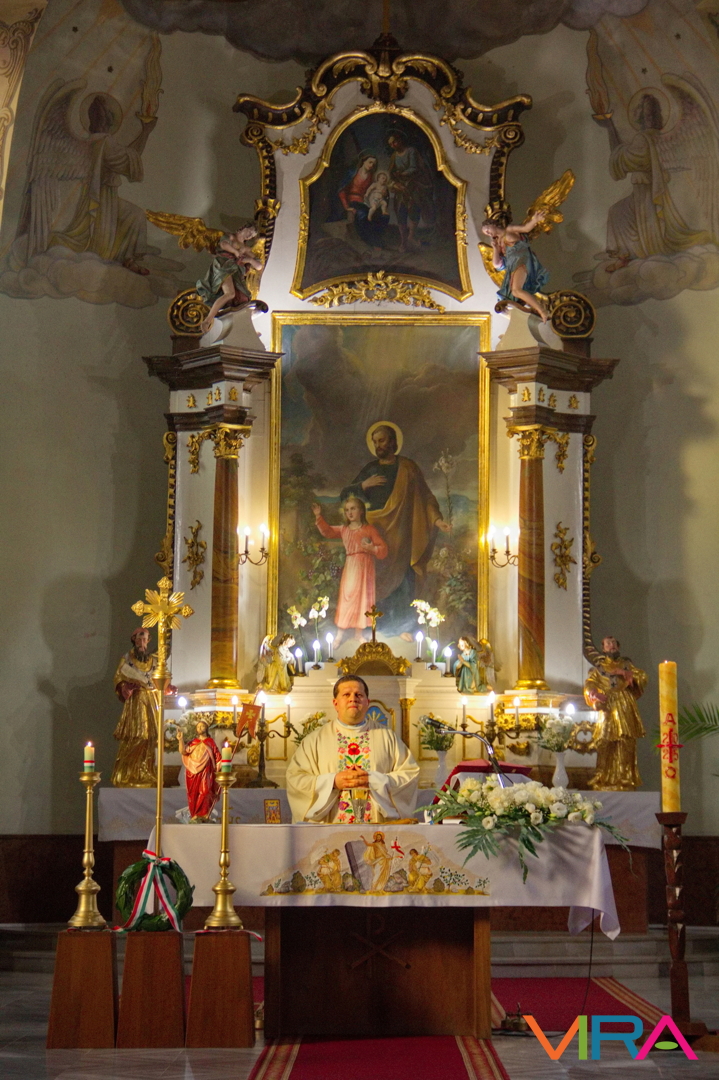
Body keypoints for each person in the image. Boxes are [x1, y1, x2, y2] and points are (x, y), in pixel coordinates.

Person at [341, 423, 450, 638]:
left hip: (401, 533)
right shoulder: (370, 470)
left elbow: (426, 497)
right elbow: (345, 495)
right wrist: (364, 485)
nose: (378, 445)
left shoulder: (408, 468)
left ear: (393, 441)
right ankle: (374, 626)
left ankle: (402, 627)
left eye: (382, 440)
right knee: (374, 579)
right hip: (375, 533)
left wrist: (437, 520)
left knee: (404, 579)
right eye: (375, 442)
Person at [285, 674, 419, 823]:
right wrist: (332, 782)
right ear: (335, 703)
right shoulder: (315, 740)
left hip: (378, 828)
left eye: (359, 695)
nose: (353, 699)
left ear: (367, 702)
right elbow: (295, 779)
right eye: (346, 694)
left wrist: (376, 780)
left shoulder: (388, 737)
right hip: (330, 827)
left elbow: (410, 775)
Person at [312, 496, 388, 648]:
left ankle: (358, 634)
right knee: (347, 599)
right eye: (347, 510)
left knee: (363, 600)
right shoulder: (344, 529)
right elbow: (328, 532)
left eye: (353, 508)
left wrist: (372, 548)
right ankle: (339, 635)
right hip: (352, 567)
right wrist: (318, 516)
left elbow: (383, 549)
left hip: (366, 568)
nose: (350, 512)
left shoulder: (369, 529)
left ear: (361, 511)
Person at [584, 636, 647, 791]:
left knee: (625, 739)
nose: (611, 646)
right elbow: (590, 682)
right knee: (604, 741)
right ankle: (601, 776)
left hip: (624, 704)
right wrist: (593, 692)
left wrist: (628, 675)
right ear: (603, 648)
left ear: (618, 646)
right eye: (608, 644)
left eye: (613, 643)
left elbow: (641, 676)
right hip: (607, 705)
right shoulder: (599, 668)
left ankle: (626, 776)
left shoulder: (626, 664)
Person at [111, 628, 160, 787]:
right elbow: (118, 677)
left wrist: (167, 687)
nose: (142, 642)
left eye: (145, 639)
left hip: (151, 700)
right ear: (133, 640)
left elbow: (158, 679)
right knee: (139, 735)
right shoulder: (127, 658)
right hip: (136, 699)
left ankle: (145, 772)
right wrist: (124, 686)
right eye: (139, 639)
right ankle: (125, 772)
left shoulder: (153, 660)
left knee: (151, 737)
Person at [481, 210, 550, 321]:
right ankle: (535, 311)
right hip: (513, 265)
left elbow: (526, 228)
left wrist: (535, 220)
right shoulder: (498, 242)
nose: (488, 233)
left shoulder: (509, 229)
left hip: (522, 260)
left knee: (516, 290)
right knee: (515, 292)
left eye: (488, 229)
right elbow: (497, 264)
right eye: (486, 233)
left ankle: (542, 311)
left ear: (493, 224)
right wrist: (495, 249)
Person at [196, 225, 263, 332]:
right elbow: (224, 244)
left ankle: (241, 326)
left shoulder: (246, 248)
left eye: (252, 235)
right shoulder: (231, 237)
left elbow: (259, 266)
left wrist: (250, 260)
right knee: (230, 294)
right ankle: (207, 321)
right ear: (243, 228)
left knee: (243, 298)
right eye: (249, 231)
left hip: (236, 272)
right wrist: (235, 252)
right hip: (224, 266)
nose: (249, 235)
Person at [387, 128, 434, 251]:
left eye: (394, 142)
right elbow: (391, 172)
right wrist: (395, 183)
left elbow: (414, 167)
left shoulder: (411, 151)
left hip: (413, 186)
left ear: (400, 140)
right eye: (390, 144)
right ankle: (403, 242)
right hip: (400, 188)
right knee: (400, 213)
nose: (393, 145)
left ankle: (411, 237)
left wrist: (402, 174)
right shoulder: (394, 156)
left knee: (414, 211)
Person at [178, 719, 222, 821]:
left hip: (206, 771)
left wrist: (222, 766)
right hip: (192, 772)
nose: (200, 728)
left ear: (206, 728)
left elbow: (217, 756)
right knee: (193, 794)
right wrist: (180, 740)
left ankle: (204, 814)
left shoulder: (210, 742)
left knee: (205, 792)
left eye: (202, 726)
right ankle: (195, 815)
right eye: (198, 727)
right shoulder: (193, 742)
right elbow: (183, 751)